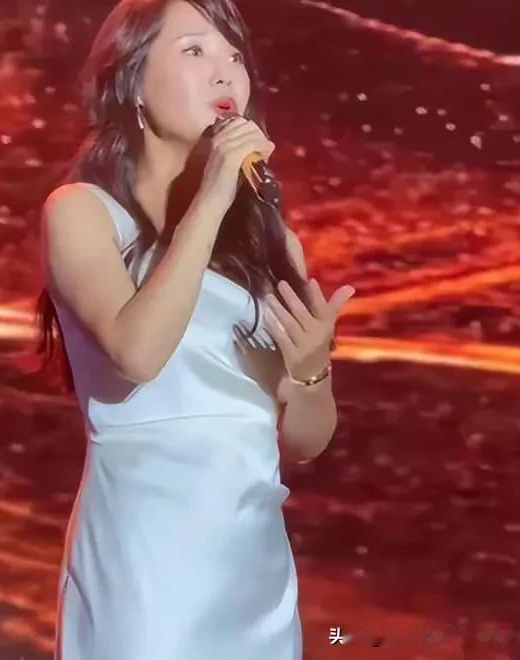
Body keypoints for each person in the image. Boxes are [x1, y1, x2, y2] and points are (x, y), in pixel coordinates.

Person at [34, 0, 355, 658]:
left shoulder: (272, 242)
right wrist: (212, 196)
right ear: (132, 81)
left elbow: (305, 441)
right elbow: (137, 353)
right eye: (194, 51)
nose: (225, 71)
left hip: (254, 565)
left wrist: (311, 372)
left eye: (234, 55)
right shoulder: (82, 212)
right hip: (145, 559)